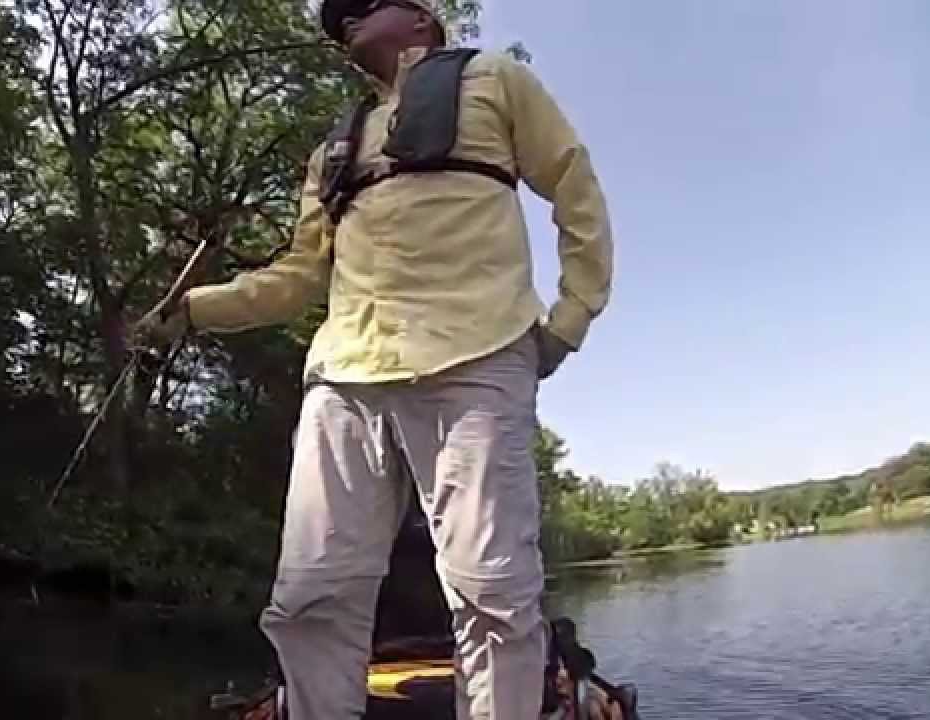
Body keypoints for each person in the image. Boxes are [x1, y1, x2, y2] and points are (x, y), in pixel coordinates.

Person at [139, 1, 613, 717]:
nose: (346, 18)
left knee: (492, 591)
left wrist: (570, 317)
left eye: (364, 4)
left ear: (423, 19)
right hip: (344, 377)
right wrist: (192, 309)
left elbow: (575, 186)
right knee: (309, 596)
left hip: (477, 357)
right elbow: (295, 279)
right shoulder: (332, 151)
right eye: (338, 19)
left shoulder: (497, 78)